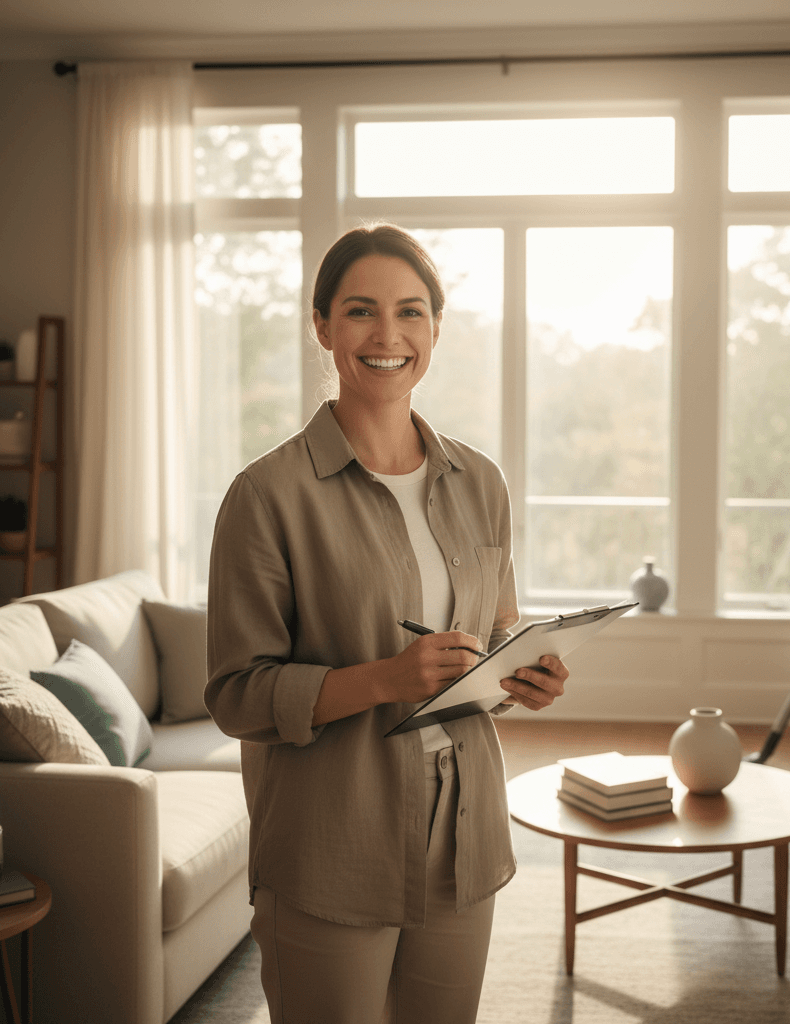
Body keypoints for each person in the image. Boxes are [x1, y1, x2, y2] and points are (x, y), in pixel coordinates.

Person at [205, 222, 570, 1024]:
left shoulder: (481, 481)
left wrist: (520, 672)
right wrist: (385, 680)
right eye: (362, 311)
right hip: (334, 841)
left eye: (411, 311)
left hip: (464, 834)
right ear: (323, 327)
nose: (388, 335)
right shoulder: (267, 496)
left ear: (436, 328)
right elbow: (236, 696)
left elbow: (494, 628)